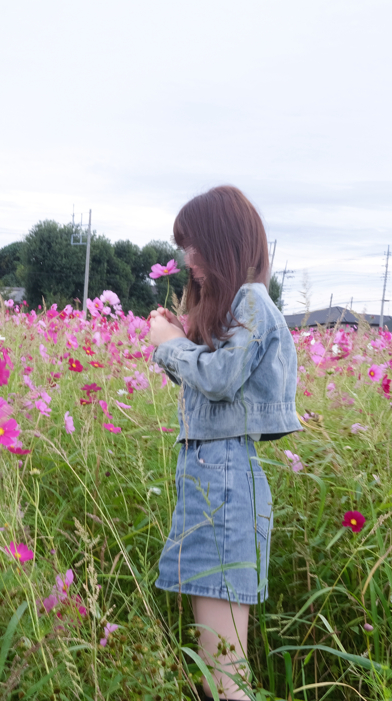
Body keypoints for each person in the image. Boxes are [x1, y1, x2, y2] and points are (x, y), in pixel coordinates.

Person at [148, 186, 302, 700]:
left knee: (226, 672)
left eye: (193, 247)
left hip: (226, 487)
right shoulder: (237, 305)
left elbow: (219, 379)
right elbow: (215, 387)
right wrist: (183, 341)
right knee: (214, 666)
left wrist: (170, 349)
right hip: (210, 481)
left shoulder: (253, 300)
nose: (187, 262)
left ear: (221, 243)